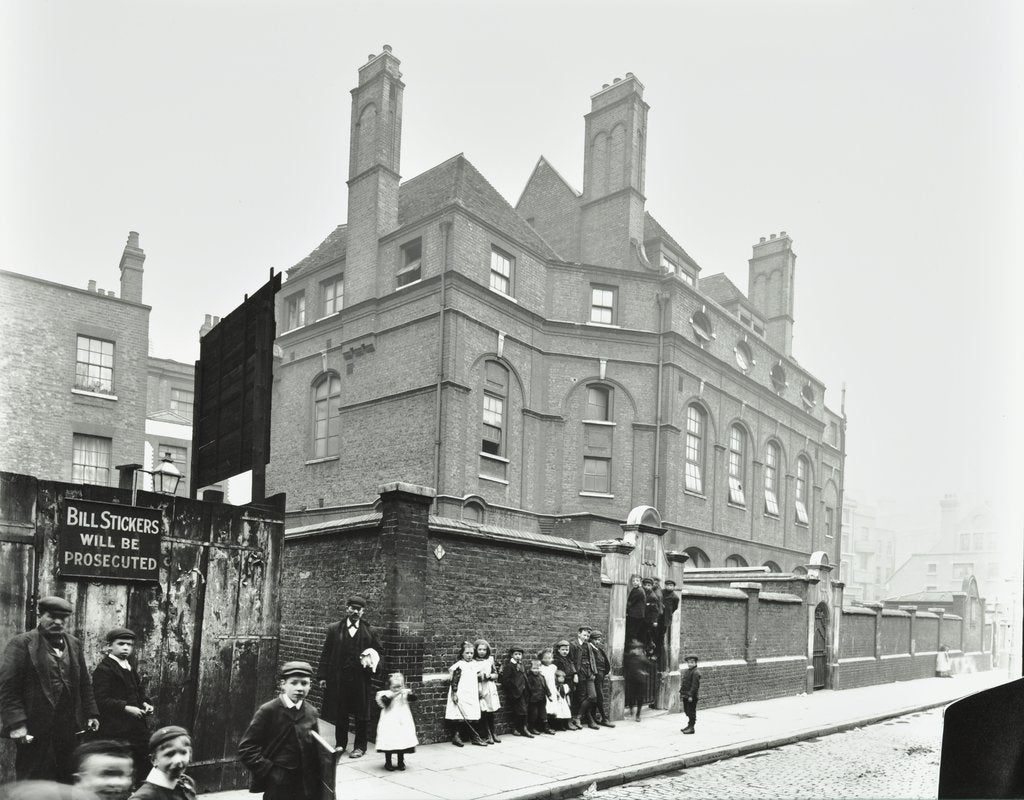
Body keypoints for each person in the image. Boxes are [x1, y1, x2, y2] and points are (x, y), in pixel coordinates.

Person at [0, 596, 100, 783]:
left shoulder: (74, 644)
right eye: (52, 616)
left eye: (63, 618)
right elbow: (8, 688)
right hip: (35, 725)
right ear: (40, 615)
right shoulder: (21, 643)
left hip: (68, 725)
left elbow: (84, 683)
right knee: (33, 777)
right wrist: (16, 723)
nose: (58, 622)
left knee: (68, 775)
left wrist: (91, 712)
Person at [238, 661, 321, 800]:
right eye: (294, 683)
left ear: (310, 686)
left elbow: (316, 748)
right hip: (278, 786)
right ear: (283, 684)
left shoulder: (311, 712)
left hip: (304, 785)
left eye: (304, 683)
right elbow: (246, 748)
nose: (299, 688)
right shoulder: (269, 710)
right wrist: (270, 771)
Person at [316, 596, 383, 759]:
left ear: (363, 612)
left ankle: (360, 746)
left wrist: (373, 664)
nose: (355, 611)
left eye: (359, 609)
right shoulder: (334, 629)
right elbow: (326, 654)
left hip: (361, 680)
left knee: (361, 714)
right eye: (352, 608)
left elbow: (379, 654)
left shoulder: (370, 631)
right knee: (341, 712)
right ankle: (340, 744)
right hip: (340, 679)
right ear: (347, 609)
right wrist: (323, 676)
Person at [91, 628, 153, 786]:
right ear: (109, 646)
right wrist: (126, 708)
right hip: (116, 728)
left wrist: (145, 703)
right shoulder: (104, 670)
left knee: (143, 760)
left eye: (129, 645)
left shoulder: (129, 667)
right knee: (120, 763)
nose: (126, 648)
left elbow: (137, 691)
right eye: (121, 644)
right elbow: (101, 699)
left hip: (136, 726)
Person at [128, 726, 195, 799]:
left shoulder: (186, 782)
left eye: (183, 752)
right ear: (154, 759)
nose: (178, 760)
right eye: (169, 754)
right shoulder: (145, 796)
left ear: (190, 753)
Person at [374, 672, 418, 772]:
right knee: (390, 739)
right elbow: (385, 703)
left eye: (399, 686)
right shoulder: (385, 694)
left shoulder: (404, 693)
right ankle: (388, 762)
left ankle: (401, 761)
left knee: (401, 740)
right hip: (389, 720)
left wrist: (409, 694)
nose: (397, 689)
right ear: (389, 686)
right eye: (395, 687)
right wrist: (394, 694)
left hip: (402, 720)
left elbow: (414, 698)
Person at [445, 642, 485, 747]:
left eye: (471, 653)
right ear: (462, 654)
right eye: (467, 653)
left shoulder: (475, 664)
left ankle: (474, 737)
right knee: (458, 714)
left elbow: (479, 678)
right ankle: (456, 736)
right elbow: (454, 681)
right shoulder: (459, 665)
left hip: (471, 693)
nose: (469, 655)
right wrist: (454, 693)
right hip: (461, 692)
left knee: (472, 714)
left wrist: (480, 689)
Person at [568, 626, 600, 730]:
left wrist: (594, 672)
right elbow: (571, 660)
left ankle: (578, 717)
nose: (586, 638)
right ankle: (581, 719)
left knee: (593, 696)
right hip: (580, 672)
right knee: (581, 696)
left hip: (589, 672)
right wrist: (575, 674)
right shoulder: (573, 645)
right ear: (579, 634)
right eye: (584, 635)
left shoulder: (588, 645)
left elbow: (592, 659)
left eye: (588, 636)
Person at [499, 646, 531, 738]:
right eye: (516, 654)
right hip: (516, 693)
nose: (518, 656)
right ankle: (519, 728)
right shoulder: (510, 666)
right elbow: (506, 680)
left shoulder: (521, 665)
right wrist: (513, 689)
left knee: (523, 710)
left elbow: (524, 677)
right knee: (519, 711)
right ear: (511, 655)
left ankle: (522, 727)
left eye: (519, 654)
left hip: (524, 691)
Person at [473, 639, 501, 744]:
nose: (482, 652)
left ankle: (493, 732)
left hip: (489, 687)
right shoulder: (473, 661)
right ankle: (486, 733)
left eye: (484, 649)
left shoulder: (489, 660)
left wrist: (490, 676)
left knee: (491, 710)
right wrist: (479, 676)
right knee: (483, 711)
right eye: (480, 649)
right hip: (480, 687)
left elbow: (496, 674)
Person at [588, 631, 615, 727]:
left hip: (601, 676)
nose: (597, 642)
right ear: (591, 639)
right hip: (594, 676)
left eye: (599, 640)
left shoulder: (598, 649)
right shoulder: (589, 649)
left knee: (598, 696)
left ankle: (595, 717)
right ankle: (604, 718)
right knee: (598, 697)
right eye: (595, 639)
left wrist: (606, 672)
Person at [551, 641, 580, 730]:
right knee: (562, 703)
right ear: (558, 650)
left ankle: (568, 721)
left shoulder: (568, 659)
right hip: (562, 684)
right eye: (563, 650)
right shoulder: (556, 660)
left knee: (569, 702)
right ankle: (562, 723)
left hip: (569, 683)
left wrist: (575, 674)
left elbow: (572, 667)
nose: (565, 651)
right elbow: (555, 673)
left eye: (566, 650)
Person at [538, 649, 565, 732]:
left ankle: (555, 724)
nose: (548, 660)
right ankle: (545, 726)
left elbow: (554, 680)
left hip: (552, 689)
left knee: (554, 707)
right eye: (545, 658)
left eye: (549, 658)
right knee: (546, 708)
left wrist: (556, 690)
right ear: (541, 659)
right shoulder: (540, 668)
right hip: (545, 690)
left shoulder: (553, 667)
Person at [623, 640, 650, 721]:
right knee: (631, 697)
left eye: (639, 649)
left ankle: (638, 714)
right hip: (631, 680)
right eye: (636, 648)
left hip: (641, 681)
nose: (638, 650)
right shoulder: (629, 657)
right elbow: (625, 666)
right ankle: (631, 708)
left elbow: (649, 665)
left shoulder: (642, 658)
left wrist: (644, 672)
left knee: (640, 698)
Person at [525, 659, 552, 735]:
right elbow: (528, 689)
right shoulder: (530, 678)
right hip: (533, 700)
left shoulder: (542, 677)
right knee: (534, 714)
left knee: (543, 713)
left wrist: (549, 695)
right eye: (534, 668)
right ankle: (531, 728)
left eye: (538, 668)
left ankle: (546, 728)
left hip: (542, 699)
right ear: (530, 669)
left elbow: (545, 687)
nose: (536, 670)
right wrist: (529, 698)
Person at [660, 579, 680, 669]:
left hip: (666, 618)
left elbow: (675, 607)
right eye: (668, 585)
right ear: (665, 586)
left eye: (671, 586)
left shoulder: (675, 597)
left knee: (662, 634)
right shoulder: (661, 592)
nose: (669, 587)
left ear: (673, 587)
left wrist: (669, 612)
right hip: (659, 615)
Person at [679, 655, 701, 734]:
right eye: (688, 662)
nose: (690, 664)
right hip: (686, 695)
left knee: (691, 711)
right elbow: (685, 683)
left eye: (692, 662)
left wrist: (691, 695)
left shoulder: (696, 672)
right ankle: (689, 725)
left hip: (691, 696)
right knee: (687, 711)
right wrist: (682, 693)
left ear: (695, 663)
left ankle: (692, 728)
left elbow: (695, 686)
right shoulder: (688, 671)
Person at [625, 575, 646, 649]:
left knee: (632, 633)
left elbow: (631, 602)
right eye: (633, 581)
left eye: (637, 581)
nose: (635, 582)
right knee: (632, 633)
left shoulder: (639, 591)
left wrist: (626, 609)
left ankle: (630, 648)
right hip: (635, 614)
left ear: (640, 582)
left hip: (636, 616)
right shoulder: (635, 589)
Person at [643, 578, 662, 656]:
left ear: (651, 586)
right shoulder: (643, 592)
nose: (647, 587)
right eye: (645, 585)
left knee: (648, 634)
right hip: (643, 618)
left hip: (649, 620)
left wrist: (655, 621)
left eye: (649, 585)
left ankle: (650, 648)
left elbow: (655, 610)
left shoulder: (653, 596)